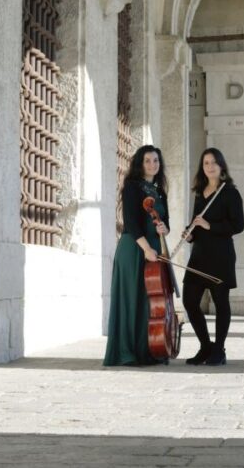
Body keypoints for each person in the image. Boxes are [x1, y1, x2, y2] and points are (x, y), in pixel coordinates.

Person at [104, 145, 170, 366]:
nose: (153, 164)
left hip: (153, 248)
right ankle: (127, 352)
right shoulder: (132, 187)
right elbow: (131, 222)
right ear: (140, 164)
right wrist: (147, 249)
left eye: (156, 161)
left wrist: (164, 229)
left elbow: (165, 223)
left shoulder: (159, 191)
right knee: (132, 300)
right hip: (135, 248)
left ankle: (149, 350)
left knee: (149, 303)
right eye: (148, 160)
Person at [181, 148, 244, 366]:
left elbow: (238, 225)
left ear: (221, 166)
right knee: (189, 301)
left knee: (220, 302)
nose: (209, 167)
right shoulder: (200, 193)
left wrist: (210, 226)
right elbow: (196, 224)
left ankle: (219, 349)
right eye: (206, 163)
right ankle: (205, 347)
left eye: (213, 163)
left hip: (221, 256)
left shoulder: (230, 193)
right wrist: (189, 235)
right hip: (199, 255)